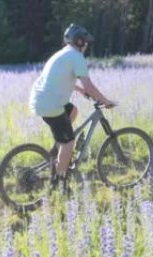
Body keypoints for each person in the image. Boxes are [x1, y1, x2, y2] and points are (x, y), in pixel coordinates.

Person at [29, 23, 116, 191]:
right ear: (80, 41)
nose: (87, 46)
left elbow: (56, 78)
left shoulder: (62, 54)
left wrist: (79, 90)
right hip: (51, 104)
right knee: (69, 143)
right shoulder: (77, 57)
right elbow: (89, 85)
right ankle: (59, 183)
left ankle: (58, 149)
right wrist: (105, 101)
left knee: (73, 111)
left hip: (42, 99)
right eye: (86, 42)